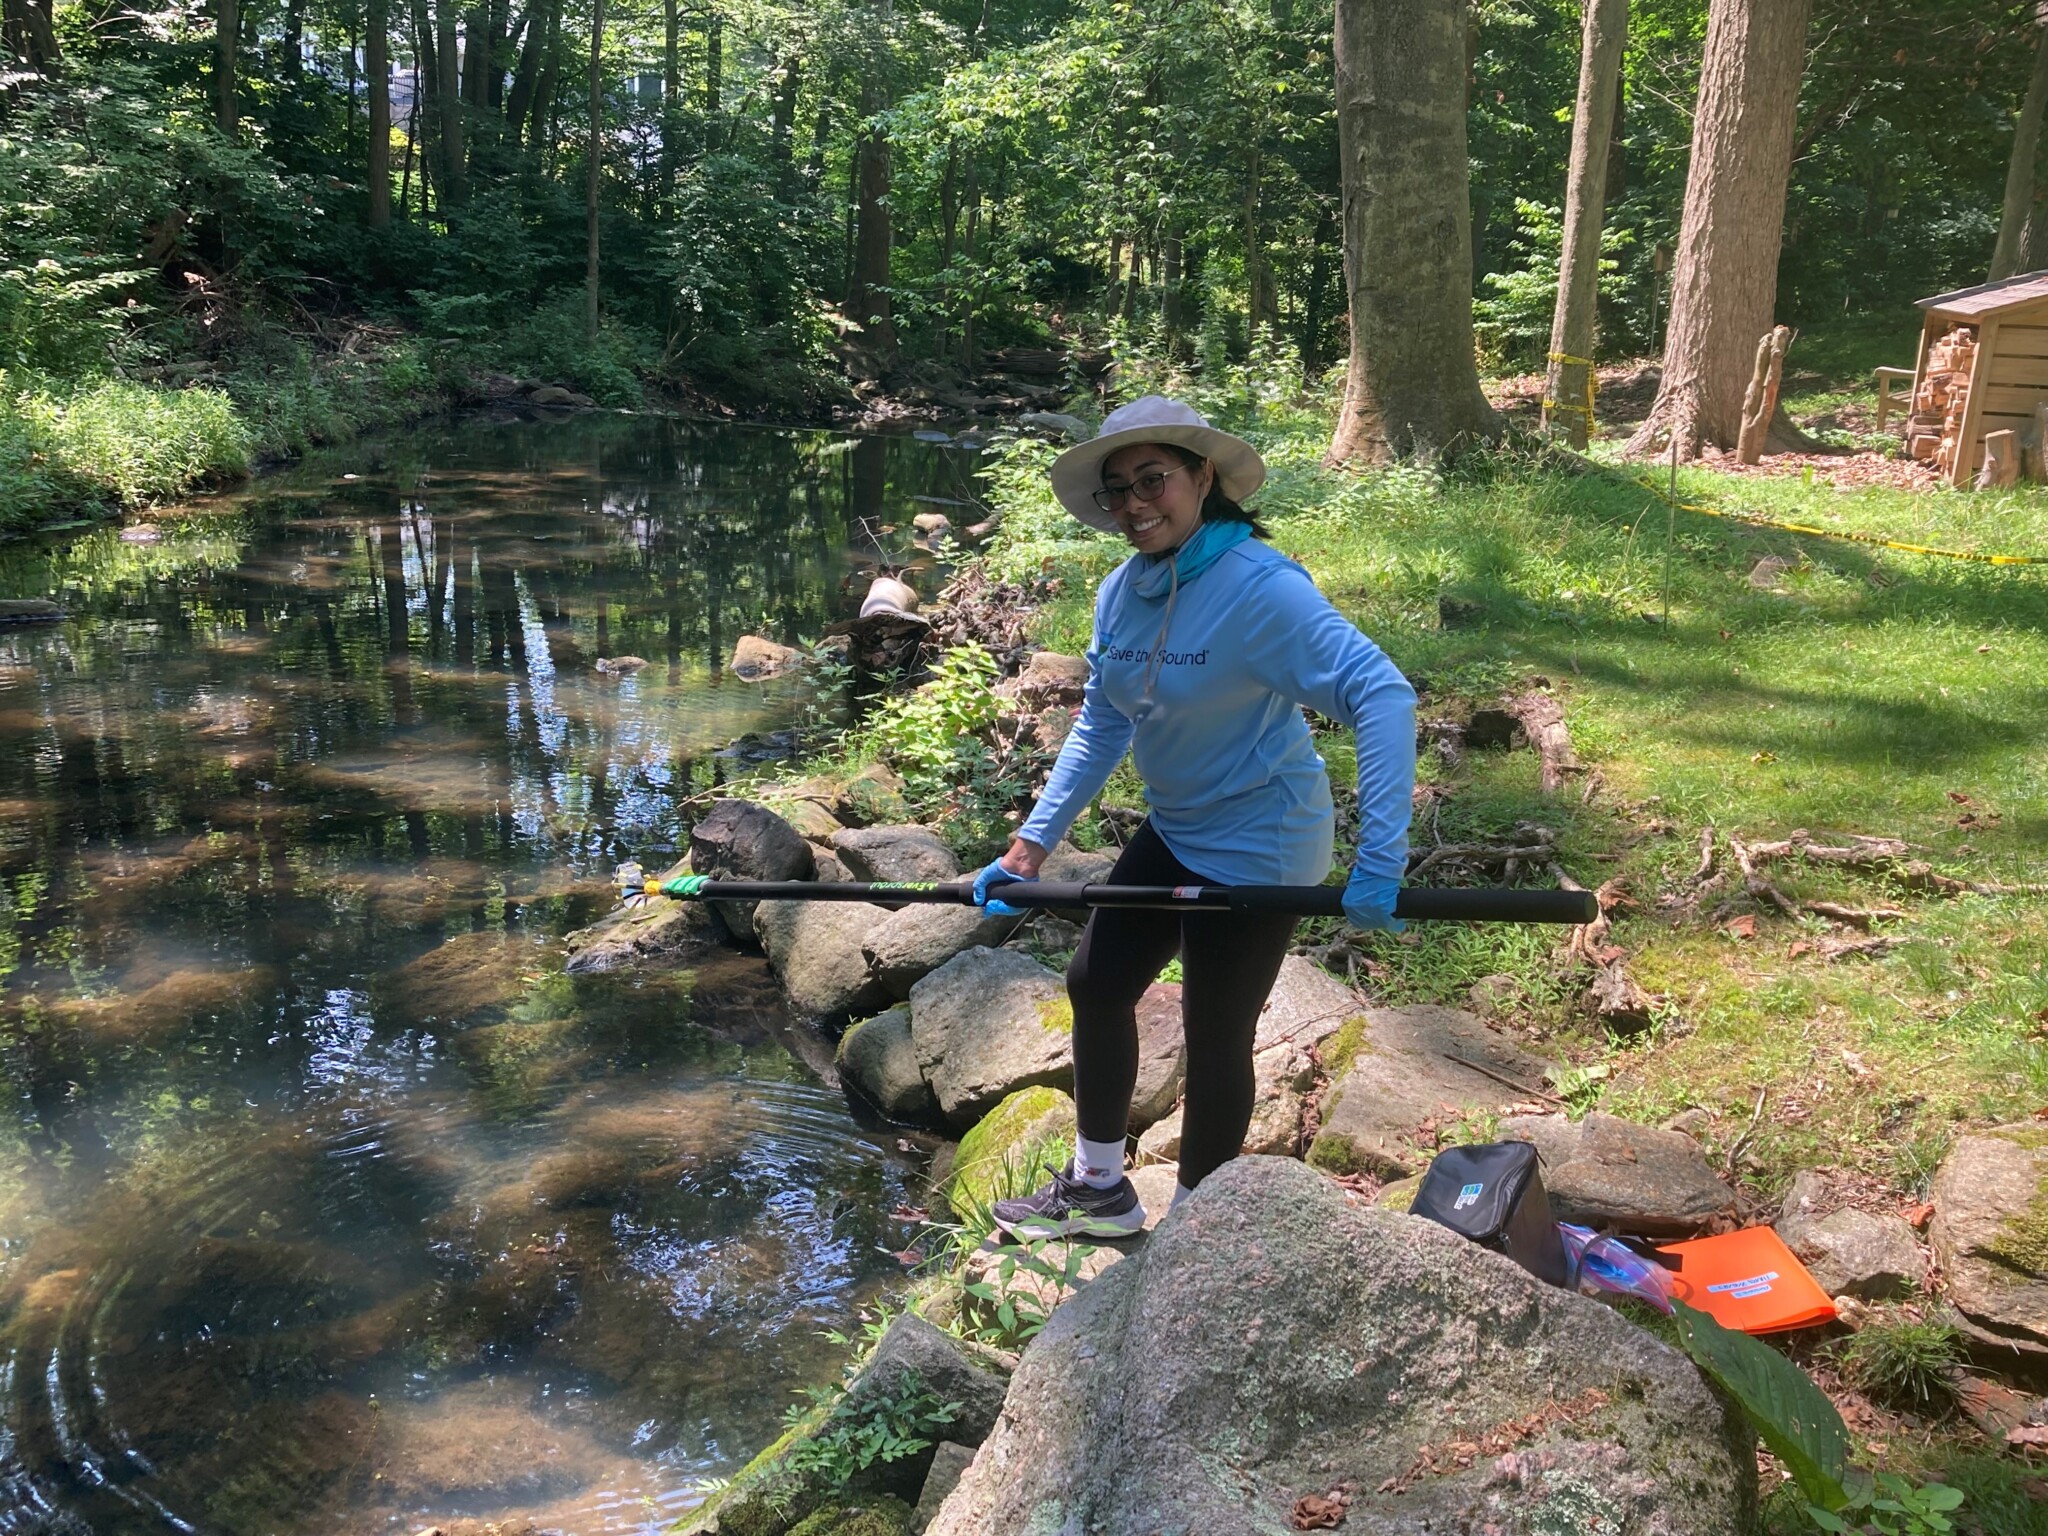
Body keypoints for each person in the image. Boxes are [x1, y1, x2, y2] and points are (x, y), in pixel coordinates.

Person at [970, 394, 1417, 1238]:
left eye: (1153, 480)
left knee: (1216, 1038)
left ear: (1202, 477)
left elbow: (1382, 694)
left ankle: (1194, 1234)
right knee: (1096, 983)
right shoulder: (1124, 589)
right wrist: (1030, 847)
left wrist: (1380, 860)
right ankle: (1100, 1189)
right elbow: (1105, 719)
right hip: (1178, 826)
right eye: (1118, 492)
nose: (1135, 504)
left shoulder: (1260, 590)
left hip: (1260, 842)